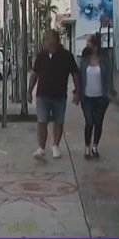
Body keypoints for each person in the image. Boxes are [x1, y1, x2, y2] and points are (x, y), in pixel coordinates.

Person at [28, 30, 81, 159]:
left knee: (58, 121)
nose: (47, 43)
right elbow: (35, 74)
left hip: (59, 96)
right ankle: (41, 148)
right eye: (46, 41)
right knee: (42, 121)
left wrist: (77, 91)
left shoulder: (67, 56)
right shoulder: (42, 55)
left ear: (56, 41)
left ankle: (55, 146)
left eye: (49, 40)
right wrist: (29, 91)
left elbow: (75, 73)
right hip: (42, 95)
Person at [79, 33, 115, 159]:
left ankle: (95, 147)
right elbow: (79, 77)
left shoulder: (104, 60)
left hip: (101, 97)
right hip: (86, 98)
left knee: (98, 122)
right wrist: (77, 92)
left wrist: (110, 91)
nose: (87, 46)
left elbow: (109, 77)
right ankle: (87, 147)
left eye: (89, 43)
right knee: (89, 122)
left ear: (95, 47)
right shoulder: (84, 61)